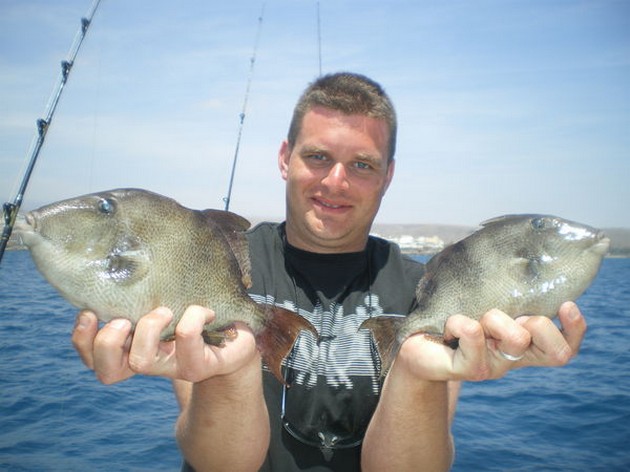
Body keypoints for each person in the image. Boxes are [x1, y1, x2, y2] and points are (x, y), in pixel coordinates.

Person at [71, 72, 587, 471]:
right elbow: (219, 465)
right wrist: (229, 371)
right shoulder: (217, 264)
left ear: (388, 176)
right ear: (284, 158)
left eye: (362, 164)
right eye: (317, 156)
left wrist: (414, 372)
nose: (335, 182)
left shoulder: (425, 290)